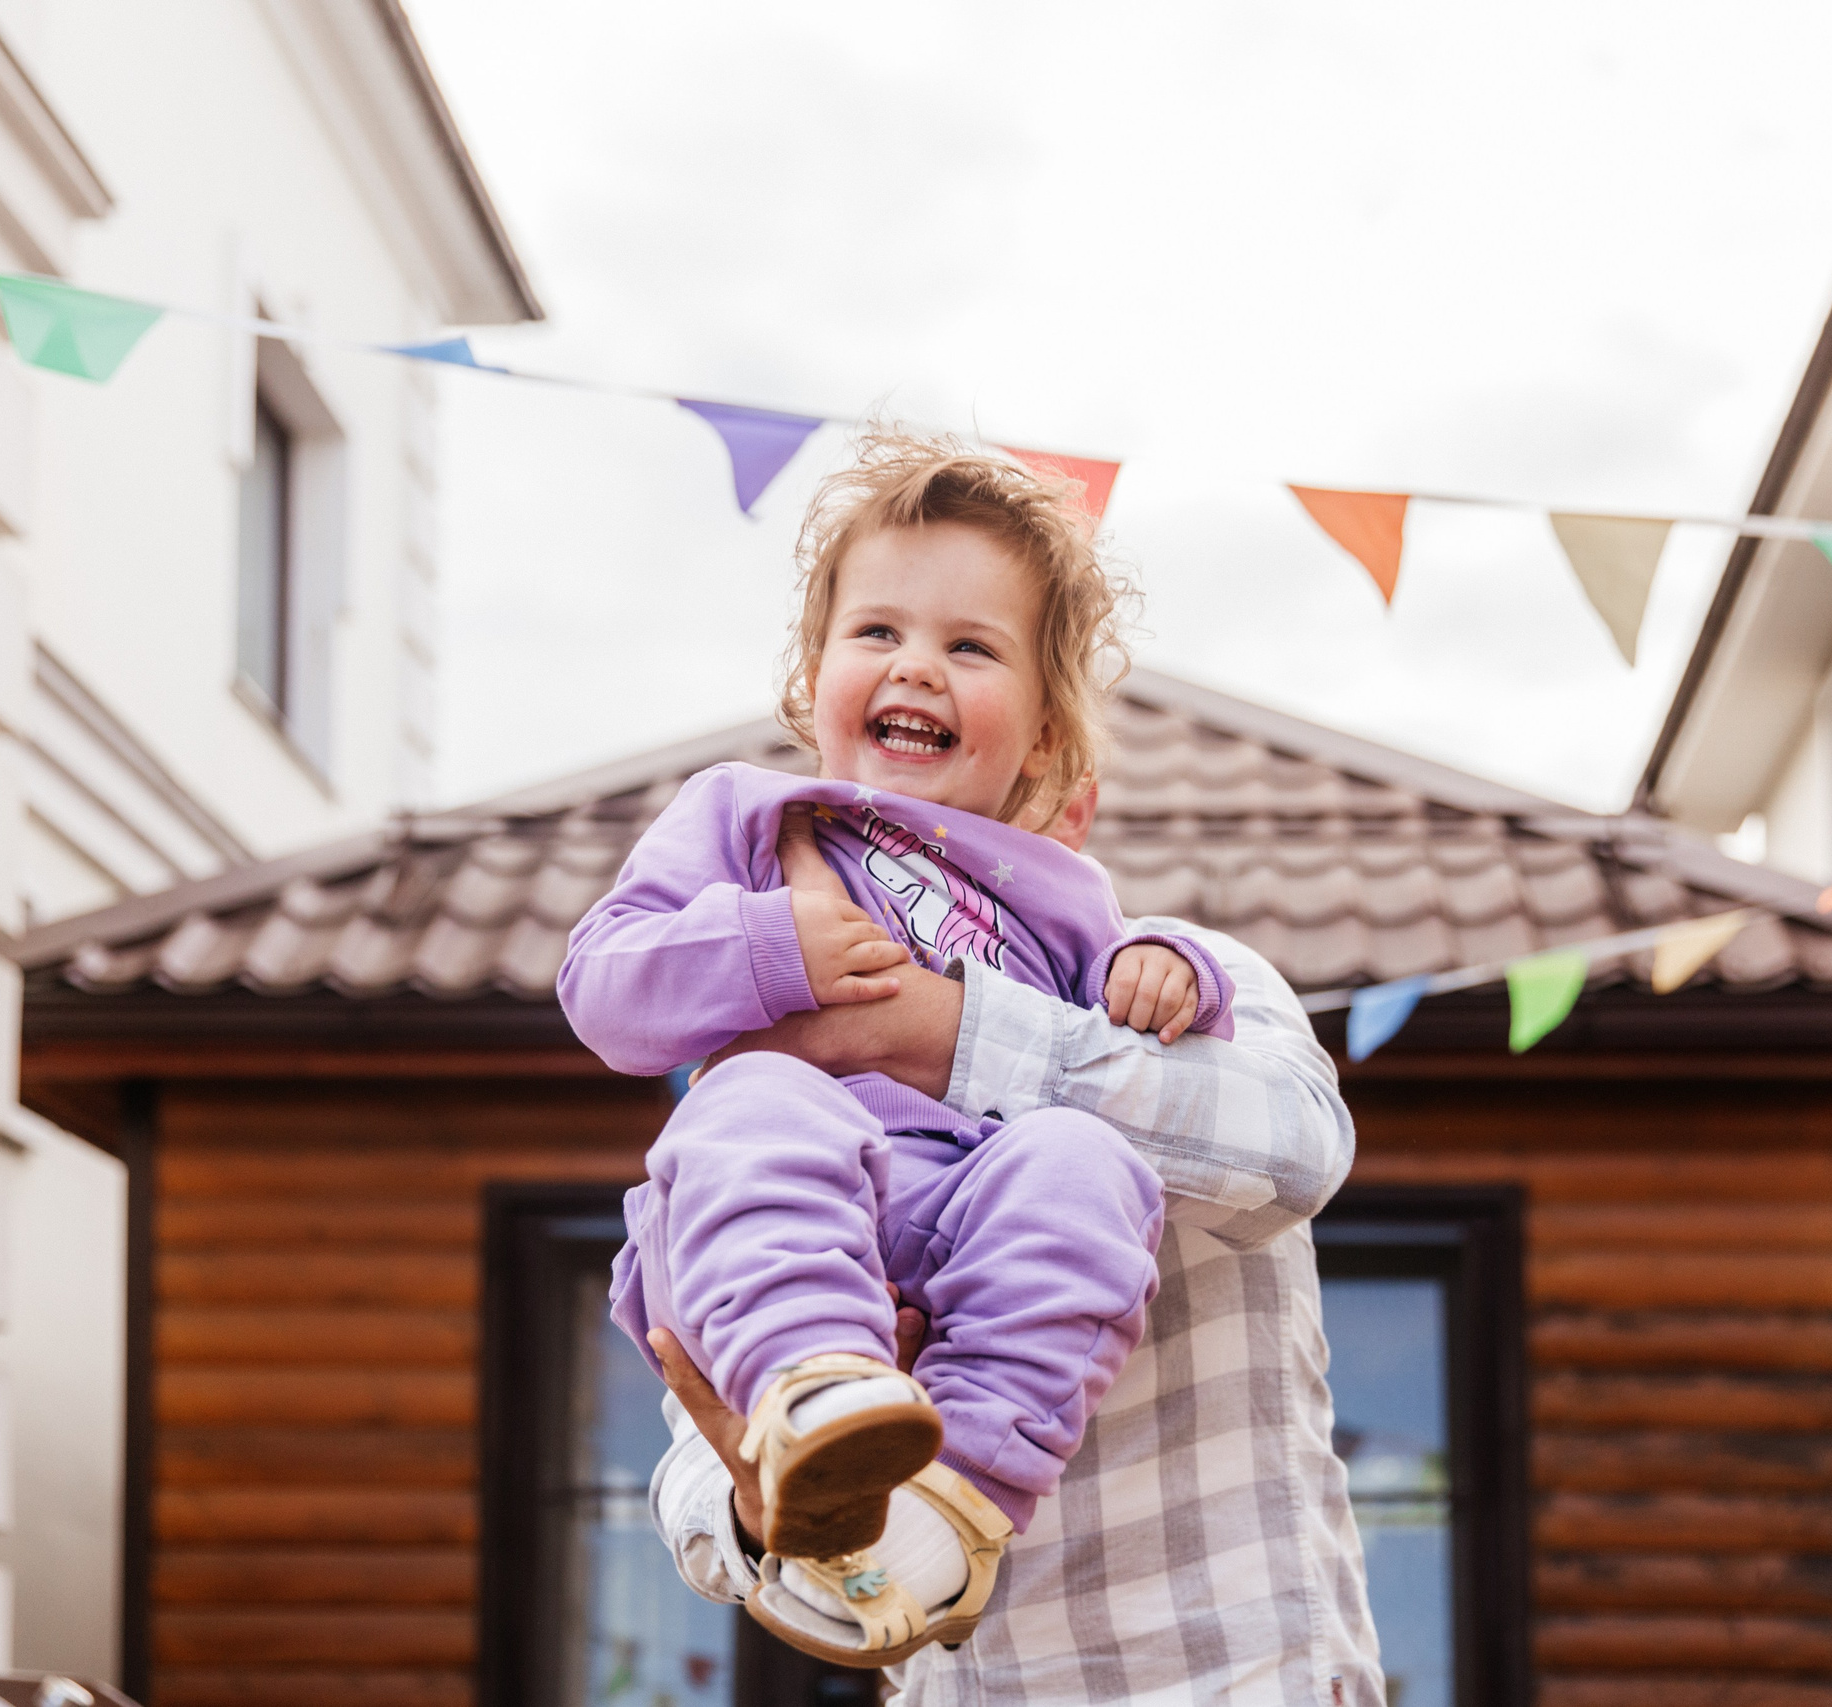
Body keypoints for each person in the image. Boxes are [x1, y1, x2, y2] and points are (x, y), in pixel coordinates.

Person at [558, 432, 1247, 1667]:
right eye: (876, 634)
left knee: (1088, 1165)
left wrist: (1171, 972)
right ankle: (814, 1389)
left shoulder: (1065, 894)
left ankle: (951, 1508)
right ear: (810, 680)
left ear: (1042, 739)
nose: (915, 666)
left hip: (968, 1230)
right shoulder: (746, 821)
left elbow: (1142, 1042)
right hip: (778, 1217)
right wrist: (770, 947)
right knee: (762, 1090)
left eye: (968, 647)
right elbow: (604, 991)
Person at [646, 783, 1388, 1705]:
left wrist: (922, 1025)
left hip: (1229, 1676)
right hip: (963, 1684)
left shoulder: (1177, 980)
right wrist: (750, 1512)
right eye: (864, 819)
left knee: (1068, 1160)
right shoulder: (771, 1058)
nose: (909, 859)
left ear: (1067, 810)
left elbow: (1294, 1153)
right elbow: (690, 1424)